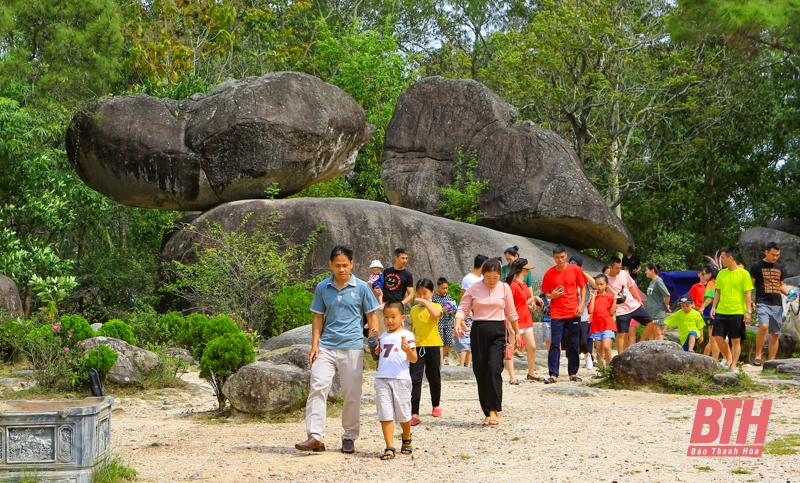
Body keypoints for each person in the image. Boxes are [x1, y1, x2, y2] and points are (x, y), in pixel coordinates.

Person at [296, 244, 379, 454]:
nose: (341, 269)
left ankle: (349, 436)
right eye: (337, 265)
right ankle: (315, 436)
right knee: (318, 387)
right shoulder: (322, 287)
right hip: (326, 346)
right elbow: (317, 318)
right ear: (330, 265)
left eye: (345, 265)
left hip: (352, 347)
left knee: (352, 394)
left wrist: (374, 338)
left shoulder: (361, 287)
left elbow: (372, 317)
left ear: (352, 264)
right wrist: (314, 346)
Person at [455, 258, 520, 426]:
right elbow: (463, 308)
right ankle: (486, 411)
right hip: (479, 330)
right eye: (488, 277)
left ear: (500, 275)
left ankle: (494, 411)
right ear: (482, 275)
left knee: (494, 369)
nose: (491, 281)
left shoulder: (505, 288)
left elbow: (511, 312)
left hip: (498, 330)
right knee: (480, 370)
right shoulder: (473, 287)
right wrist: (458, 321)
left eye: (495, 277)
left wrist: (517, 332)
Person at [375, 300, 417, 460]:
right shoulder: (383, 336)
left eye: (393, 317)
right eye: (386, 317)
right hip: (382, 378)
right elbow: (381, 358)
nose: (389, 321)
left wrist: (408, 350)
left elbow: (413, 359)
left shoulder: (407, 335)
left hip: (400, 378)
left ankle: (406, 438)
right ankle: (389, 446)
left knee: (403, 412)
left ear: (403, 317)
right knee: (385, 413)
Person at [540, 245, 589, 384]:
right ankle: (553, 374)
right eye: (557, 257)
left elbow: (583, 287)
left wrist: (581, 305)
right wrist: (552, 295)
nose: (560, 260)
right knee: (555, 343)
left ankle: (573, 373)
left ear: (566, 255)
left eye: (562, 257)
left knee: (574, 343)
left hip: (573, 312)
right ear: (553, 257)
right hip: (557, 314)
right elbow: (546, 293)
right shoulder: (549, 273)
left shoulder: (575, 269)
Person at [711, 246, 754, 373]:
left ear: (730, 258)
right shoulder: (721, 273)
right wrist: (714, 307)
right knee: (718, 337)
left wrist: (748, 311)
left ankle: (734, 366)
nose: (721, 260)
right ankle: (728, 359)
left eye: (723, 257)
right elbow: (717, 292)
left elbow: (748, 293)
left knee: (735, 339)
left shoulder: (744, 274)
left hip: (737, 311)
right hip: (722, 310)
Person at [408, 278, 443, 426]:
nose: (421, 296)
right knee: (415, 379)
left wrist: (426, 302)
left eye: (425, 293)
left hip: (433, 346)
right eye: (419, 293)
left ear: (432, 293)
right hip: (417, 347)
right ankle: (414, 413)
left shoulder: (436, 305)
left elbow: (436, 315)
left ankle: (436, 405)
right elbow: (411, 326)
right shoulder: (413, 309)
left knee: (434, 377)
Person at [505, 258, 544, 382]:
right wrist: (507, 321)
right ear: (523, 269)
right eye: (527, 269)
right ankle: (512, 377)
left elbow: (522, 302)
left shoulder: (523, 284)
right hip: (515, 320)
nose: (528, 271)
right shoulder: (512, 285)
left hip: (526, 318)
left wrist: (534, 298)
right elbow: (507, 304)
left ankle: (531, 372)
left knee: (532, 346)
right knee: (511, 348)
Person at [749, 242, 788, 365]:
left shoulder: (780, 267)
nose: (775, 257)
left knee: (775, 333)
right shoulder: (757, 266)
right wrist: (749, 300)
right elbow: (751, 285)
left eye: (777, 255)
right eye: (773, 254)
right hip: (762, 301)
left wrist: (790, 294)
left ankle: (771, 361)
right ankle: (758, 355)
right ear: (766, 252)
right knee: (764, 326)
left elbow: (781, 285)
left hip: (777, 303)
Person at [606, 256, 653, 353]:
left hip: (633, 305)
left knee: (650, 322)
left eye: (620, 267)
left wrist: (639, 300)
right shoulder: (606, 279)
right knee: (621, 334)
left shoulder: (623, 273)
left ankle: (640, 344)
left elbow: (631, 287)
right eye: (617, 268)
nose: (619, 270)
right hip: (620, 310)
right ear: (610, 267)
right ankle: (620, 356)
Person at [569, 254, 596, 370]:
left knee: (583, 340)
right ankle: (572, 365)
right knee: (571, 340)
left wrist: (583, 274)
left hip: (583, 312)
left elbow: (595, 285)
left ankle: (587, 354)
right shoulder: (567, 277)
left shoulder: (584, 279)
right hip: (570, 311)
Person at [587, 274, 618, 368]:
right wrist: (593, 297)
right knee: (599, 350)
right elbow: (590, 311)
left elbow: (612, 312)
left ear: (606, 285)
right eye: (597, 284)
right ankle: (602, 371)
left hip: (608, 325)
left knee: (606, 347)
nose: (599, 286)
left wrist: (615, 300)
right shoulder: (594, 298)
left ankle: (610, 368)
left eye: (601, 284)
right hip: (597, 327)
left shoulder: (610, 297)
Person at [432, 278, 458, 365]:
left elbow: (453, 308)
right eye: (443, 288)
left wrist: (452, 310)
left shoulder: (449, 297)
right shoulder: (434, 298)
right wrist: (442, 310)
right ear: (438, 287)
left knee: (448, 343)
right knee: (440, 343)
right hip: (439, 322)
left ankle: (441, 358)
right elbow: (433, 310)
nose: (445, 290)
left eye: (446, 288)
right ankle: (441, 361)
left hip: (448, 321)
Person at [644, 263, 670, 340]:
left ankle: (660, 350)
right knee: (651, 333)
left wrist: (666, 305)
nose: (645, 272)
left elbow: (667, 295)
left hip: (657, 311)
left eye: (646, 270)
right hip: (650, 311)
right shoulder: (652, 282)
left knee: (658, 332)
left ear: (652, 270)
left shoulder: (659, 281)